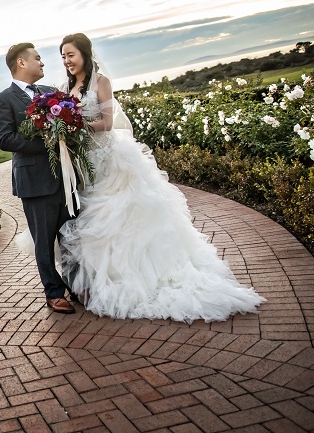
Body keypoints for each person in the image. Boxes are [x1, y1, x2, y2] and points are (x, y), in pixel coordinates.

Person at [17, 33, 264, 323]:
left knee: (119, 219)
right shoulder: (62, 88)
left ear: (83, 53)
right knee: (85, 225)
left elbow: (107, 124)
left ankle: (134, 279)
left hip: (109, 162)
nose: (66, 61)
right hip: (83, 166)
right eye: (62, 56)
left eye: (70, 54)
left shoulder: (101, 82)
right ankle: (92, 283)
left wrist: (76, 126)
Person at [0, 43, 76, 314]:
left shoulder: (50, 92)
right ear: (21, 63)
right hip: (35, 182)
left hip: (65, 176)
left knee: (72, 234)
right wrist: (48, 142)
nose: (43, 63)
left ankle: (78, 285)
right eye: (37, 58)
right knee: (44, 239)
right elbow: (5, 139)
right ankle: (54, 292)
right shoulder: (3, 99)